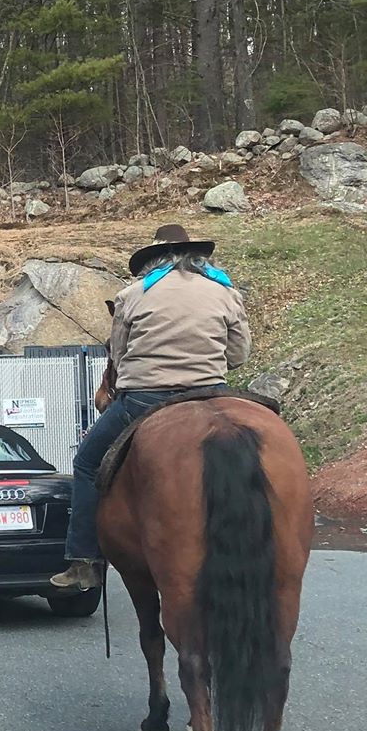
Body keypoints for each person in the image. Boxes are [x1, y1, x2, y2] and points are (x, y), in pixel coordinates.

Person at [50, 222, 253, 591]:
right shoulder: (225, 291)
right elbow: (238, 355)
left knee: (86, 463)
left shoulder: (132, 295)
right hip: (210, 393)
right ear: (195, 256)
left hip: (146, 399)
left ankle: (84, 561)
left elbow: (119, 356)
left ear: (153, 258)